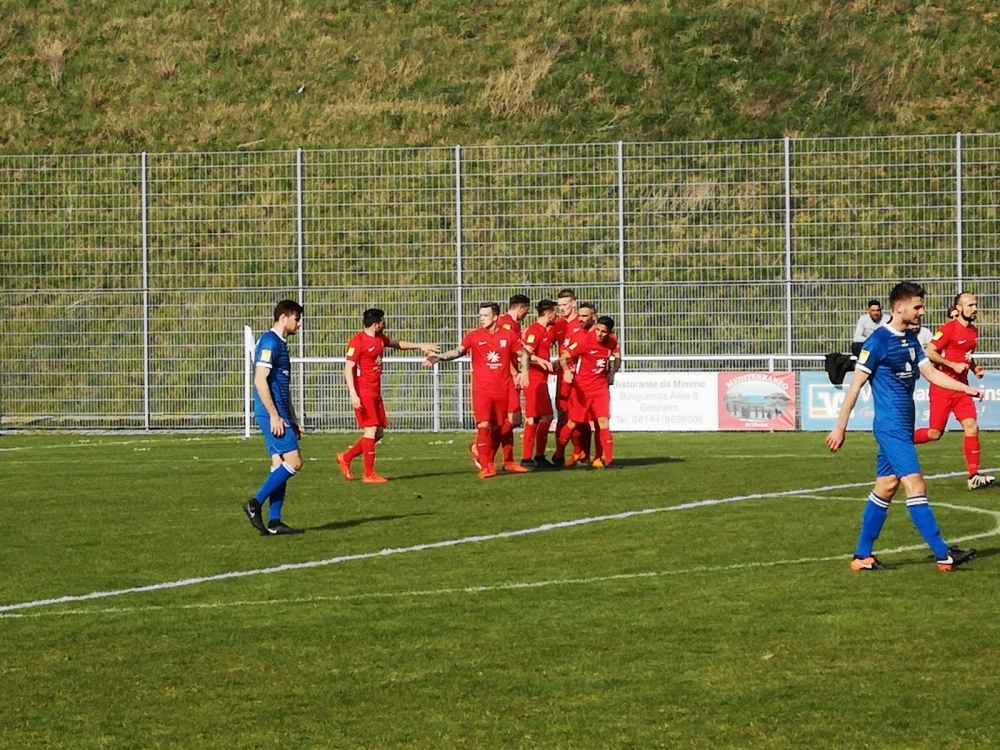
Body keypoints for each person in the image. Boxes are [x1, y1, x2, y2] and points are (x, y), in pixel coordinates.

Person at [826, 282, 984, 572]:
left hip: (902, 427)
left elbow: (932, 374)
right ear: (899, 307)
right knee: (916, 484)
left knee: (887, 487)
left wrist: (966, 390)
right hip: (890, 428)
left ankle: (862, 556)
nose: (922, 312)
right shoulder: (877, 342)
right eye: (917, 307)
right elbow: (855, 387)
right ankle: (943, 554)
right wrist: (840, 427)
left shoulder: (910, 339)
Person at [424, 302, 530, 478]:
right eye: (480, 315)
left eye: (485, 315)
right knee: (483, 425)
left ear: (495, 317)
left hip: (502, 388)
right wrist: (440, 357)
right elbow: (458, 351)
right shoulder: (474, 336)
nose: (482, 318)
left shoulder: (508, 335)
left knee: (501, 425)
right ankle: (487, 466)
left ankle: (505, 461)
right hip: (482, 390)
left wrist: (524, 371)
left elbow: (524, 353)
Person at [337, 308, 439, 484]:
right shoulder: (357, 342)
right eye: (383, 321)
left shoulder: (379, 339)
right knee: (371, 430)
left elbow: (397, 343)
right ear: (376, 324)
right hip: (364, 392)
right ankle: (369, 475)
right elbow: (348, 368)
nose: (385, 324)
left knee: (378, 433)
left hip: (375, 391)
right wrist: (353, 394)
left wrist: (420, 346)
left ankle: (345, 458)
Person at [913, 291, 995, 490]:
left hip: (962, 389)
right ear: (959, 308)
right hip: (942, 388)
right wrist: (952, 365)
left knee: (972, 426)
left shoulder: (973, 331)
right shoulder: (947, 330)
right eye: (970, 305)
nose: (975, 309)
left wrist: (974, 368)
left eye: (975, 305)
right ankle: (900, 440)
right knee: (935, 434)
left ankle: (974, 476)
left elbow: (965, 356)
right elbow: (930, 352)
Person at [243, 300, 306, 536]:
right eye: (296, 319)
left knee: (280, 465)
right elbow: (260, 380)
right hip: (271, 413)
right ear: (283, 318)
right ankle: (255, 504)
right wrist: (274, 416)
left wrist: (293, 420)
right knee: (295, 462)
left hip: (279, 413)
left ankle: (275, 522)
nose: (299, 324)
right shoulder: (270, 342)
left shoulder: (280, 344)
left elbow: (282, 388)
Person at [556, 307, 622, 469]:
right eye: (598, 330)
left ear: (609, 332)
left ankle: (609, 461)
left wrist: (612, 372)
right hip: (583, 389)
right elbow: (563, 358)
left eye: (603, 332)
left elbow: (618, 357)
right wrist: (566, 371)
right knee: (573, 422)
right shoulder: (585, 340)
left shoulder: (612, 341)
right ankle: (559, 453)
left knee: (603, 421)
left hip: (600, 388)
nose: (599, 334)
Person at [551, 292, 592, 465]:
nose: (561, 308)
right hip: (564, 375)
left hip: (581, 376)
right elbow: (547, 342)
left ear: (574, 303)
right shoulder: (558, 324)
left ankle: (583, 454)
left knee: (581, 416)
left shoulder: (582, 321)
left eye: (565, 304)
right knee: (562, 414)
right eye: (559, 305)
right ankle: (560, 454)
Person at [520, 299, 559, 467]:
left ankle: (534, 457)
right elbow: (526, 354)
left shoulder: (546, 331)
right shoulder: (534, 331)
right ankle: (531, 458)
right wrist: (541, 361)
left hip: (541, 379)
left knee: (537, 417)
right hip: (533, 380)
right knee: (539, 417)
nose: (556, 316)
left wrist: (550, 364)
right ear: (549, 313)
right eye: (555, 313)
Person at [495, 294, 532, 469]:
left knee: (510, 419)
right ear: (521, 308)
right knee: (514, 418)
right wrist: (514, 372)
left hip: (510, 375)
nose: (526, 314)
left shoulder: (514, 324)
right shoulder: (506, 324)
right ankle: (482, 447)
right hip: (505, 377)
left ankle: (508, 461)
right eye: (526, 311)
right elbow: (503, 352)